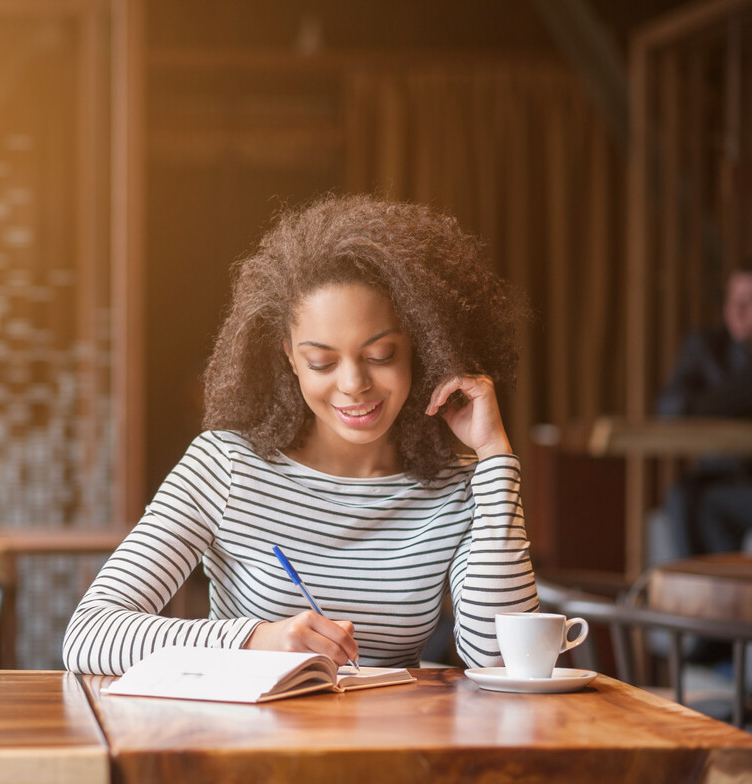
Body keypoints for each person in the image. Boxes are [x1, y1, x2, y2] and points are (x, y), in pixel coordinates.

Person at [62, 193, 538, 676]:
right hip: (247, 744)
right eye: (322, 362)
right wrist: (254, 639)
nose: (353, 384)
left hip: (391, 746)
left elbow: (503, 660)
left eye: (381, 355)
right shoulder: (226, 466)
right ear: (290, 356)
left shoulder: (455, 491)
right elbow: (89, 634)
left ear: (422, 343)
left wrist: (495, 456)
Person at [656, 263, 752, 558]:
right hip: (714, 474)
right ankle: (700, 595)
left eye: (748, 302)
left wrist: (700, 404)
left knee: (708, 507)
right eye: (732, 299)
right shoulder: (706, 345)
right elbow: (667, 408)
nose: (737, 310)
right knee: (680, 496)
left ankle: (709, 596)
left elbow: (686, 406)